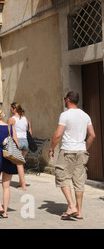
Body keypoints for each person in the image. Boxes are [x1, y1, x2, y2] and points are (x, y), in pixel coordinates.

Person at [49, 91, 95, 220]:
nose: (64, 100)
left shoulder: (65, 115)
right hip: (81, 151)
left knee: (61, 177)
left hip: (68, 151)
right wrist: (84, 148)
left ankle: (71, 206)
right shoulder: (85, 116)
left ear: (68, 99)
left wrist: (52, 148)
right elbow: (92, 135)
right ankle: (79, 212)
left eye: (65, 99)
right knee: (79, 182)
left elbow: (58, 134)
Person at [8, 102, 31, 190]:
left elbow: (9, 132)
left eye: (11, 108)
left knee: (19, 164)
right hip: (25, 142)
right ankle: (20, 183)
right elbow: (29, 131)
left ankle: (23, 185)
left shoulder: (11, 119)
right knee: (21, 163)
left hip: (17, 141)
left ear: (14, 109)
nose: (10, 110)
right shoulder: (26, 119)